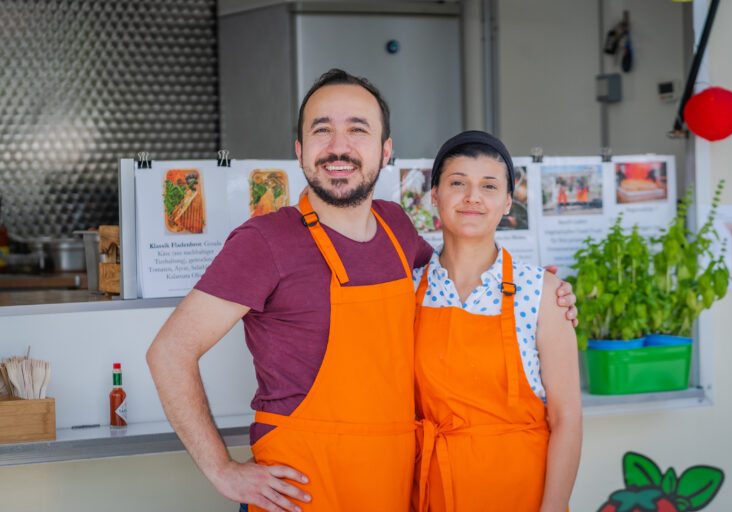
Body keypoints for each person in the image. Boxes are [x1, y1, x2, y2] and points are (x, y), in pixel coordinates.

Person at [146, 69, 578, 512]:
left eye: (357, 129)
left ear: (385, 151)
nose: (338, 146)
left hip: (394, 494)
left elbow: (462, 279)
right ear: (299, 150)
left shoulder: (397, 229)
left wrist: (544, 292)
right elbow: (169, 351)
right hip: (304, 496)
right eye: (322, 130)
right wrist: (222, 470)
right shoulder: (263, 242)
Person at [412, 131, 582, 512]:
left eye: (489, 186)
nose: (473, 197)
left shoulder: (543, 294)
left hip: (522, 495)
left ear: (507, 203)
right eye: (458, 183)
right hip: (431, 494)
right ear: (435, 195)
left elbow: (567, 418)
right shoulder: (407, 290)